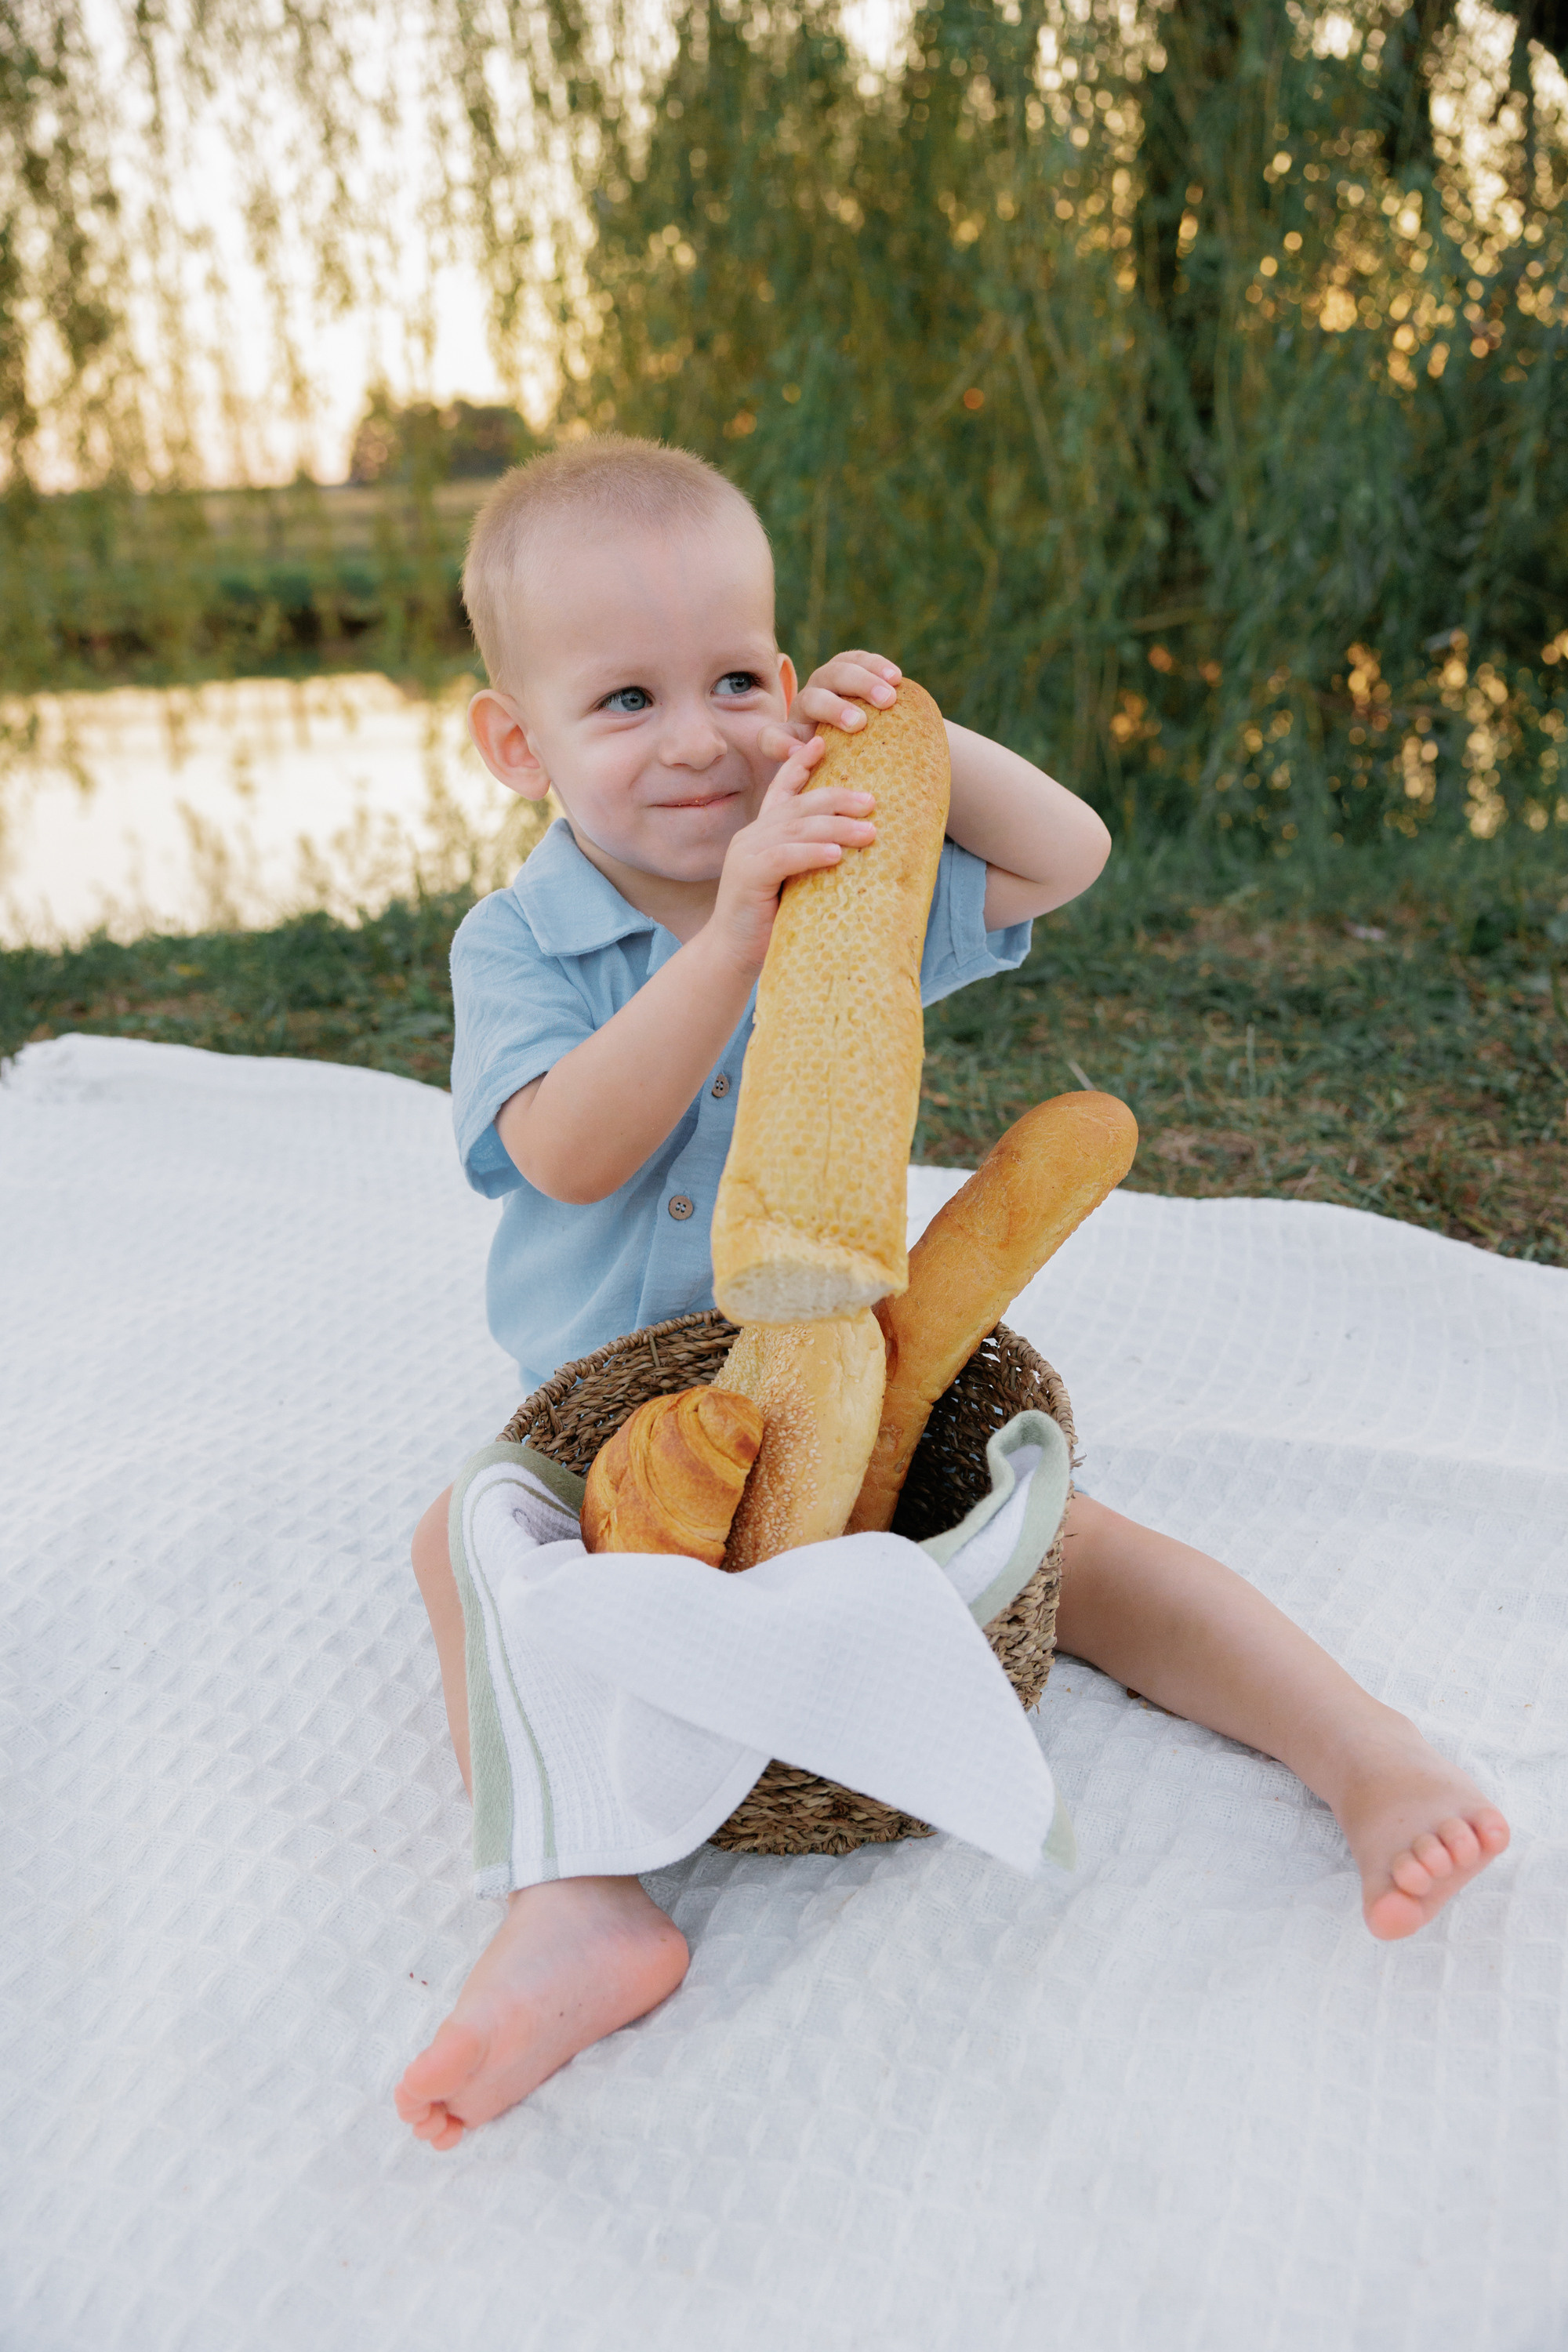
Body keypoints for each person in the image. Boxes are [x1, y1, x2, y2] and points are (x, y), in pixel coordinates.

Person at [395, 437, 1509, 2152]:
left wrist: (905, 732)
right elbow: (566, 1154)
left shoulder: (840, 868)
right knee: (460, 1548)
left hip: (852, 1371)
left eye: (737, 680)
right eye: (624, 700)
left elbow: (1065, 855)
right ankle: (577, 1900)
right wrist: (726, 940)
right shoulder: (522, 943)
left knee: (1081, 1543)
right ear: (513, 743)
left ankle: (1363, 1749)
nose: (699, 739)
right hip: (616, 1418)